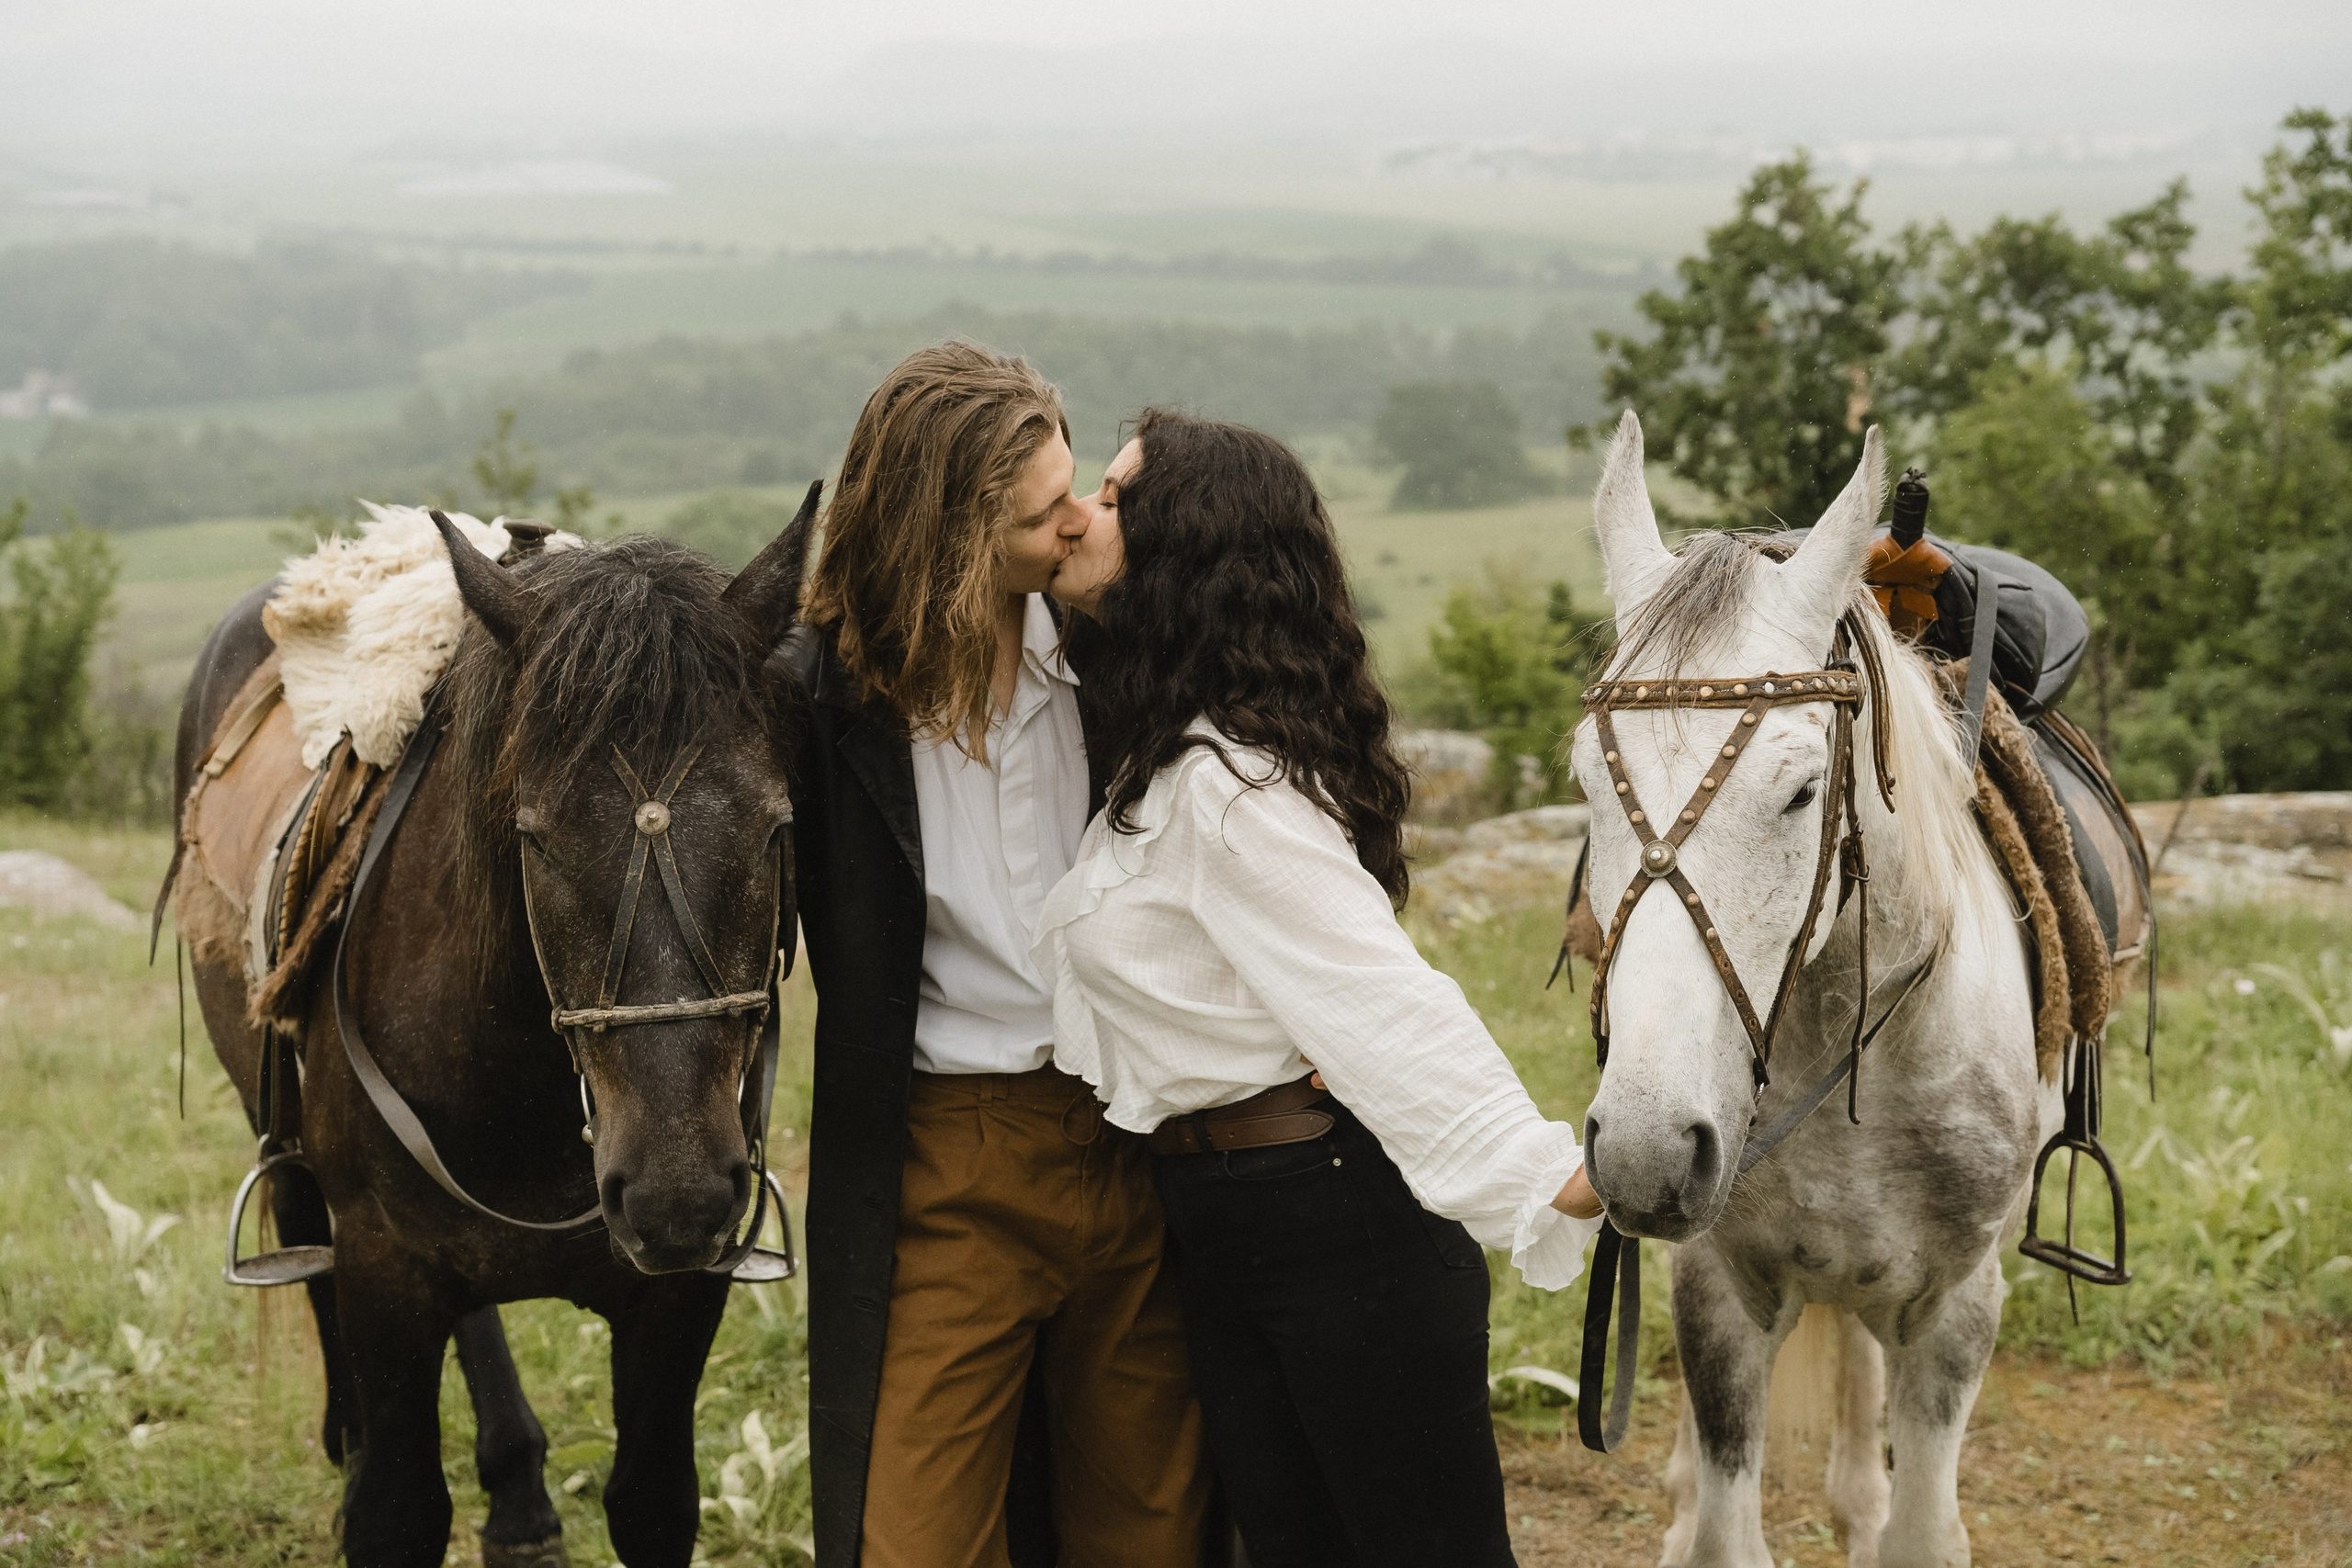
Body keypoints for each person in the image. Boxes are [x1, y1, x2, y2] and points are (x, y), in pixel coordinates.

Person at [1033, 410, 1604, 1568]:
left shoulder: (1226, 789)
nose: (1078, 516)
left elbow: (1376, 995)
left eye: (1113, 497)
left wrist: (1550, 1175)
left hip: (1335, 1226)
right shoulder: (1163, 753)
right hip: (1223, 1218)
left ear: (1188, 548)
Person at [783, 346, 1210, 1567]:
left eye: (1074, 488)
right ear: (946, 543)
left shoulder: (1119, 653)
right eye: (1040, 516)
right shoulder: (818, 699)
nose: (1080, 523)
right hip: (945, 1162)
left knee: (1155, 1534)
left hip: (1136, 1138)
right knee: (912, 1543)